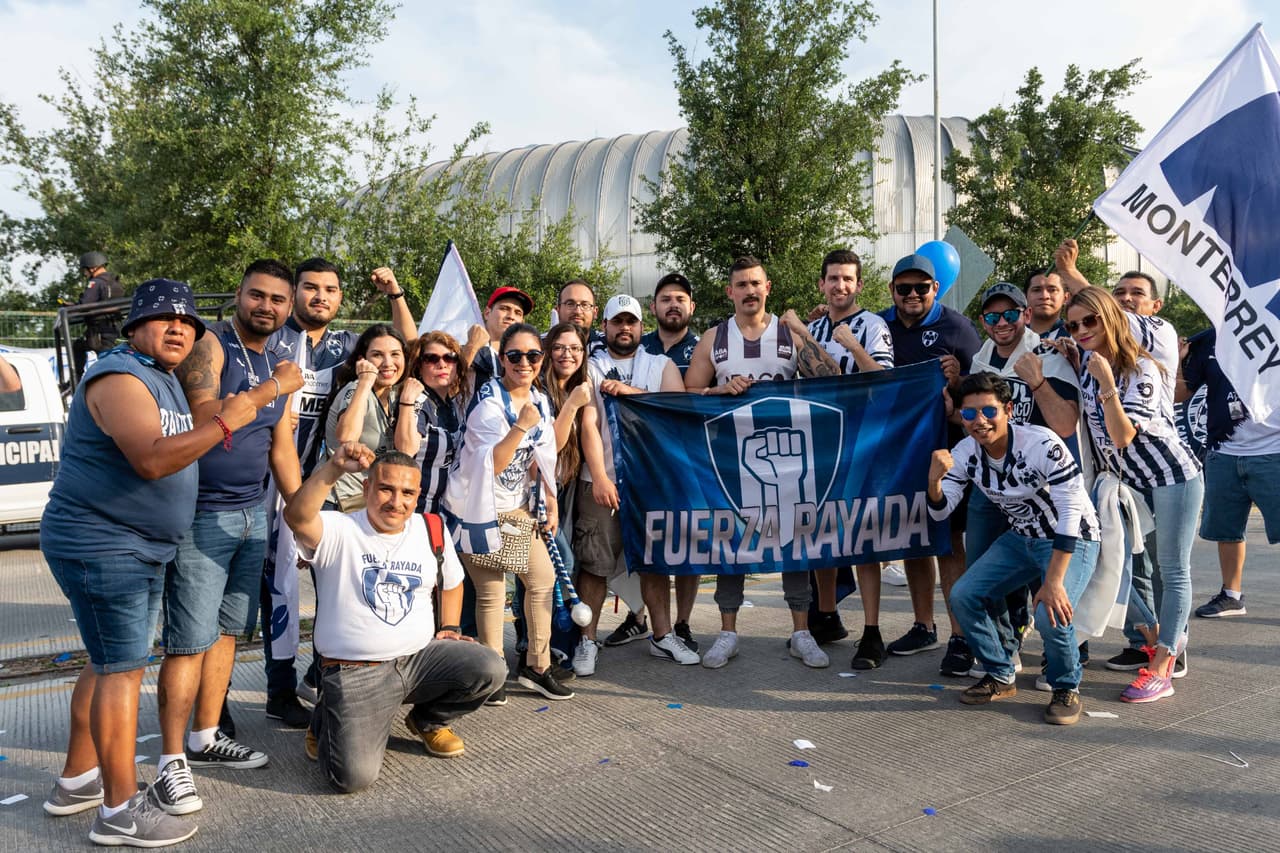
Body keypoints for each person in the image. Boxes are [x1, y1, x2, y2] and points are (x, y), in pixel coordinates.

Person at [40, 279, 257, 847]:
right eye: (164, 318)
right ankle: (118, 811)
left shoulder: (161, 376)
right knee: (121, 672)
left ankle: (77, 780)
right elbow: (152, 460)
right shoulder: (120, 377)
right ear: (134, 326)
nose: (178, 328)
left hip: (135, 544)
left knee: (107, 661)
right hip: (105, 545)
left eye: (188, 322)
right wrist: (230, 418)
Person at [154, 260, 303, 817]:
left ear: (288, 307)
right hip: (200, 515)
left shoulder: (275, 361)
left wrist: (303, 517)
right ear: (239, 295)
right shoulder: (211, 345)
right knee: (188, 641)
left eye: (277, 299)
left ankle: (206, 735)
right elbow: (205, 415)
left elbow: (282, 449)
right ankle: (171, 761)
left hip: (250, 515)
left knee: (226, 634)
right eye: (257, 295)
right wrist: (274, 388)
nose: (267, 306)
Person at [284, 443, 506, 792]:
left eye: (407, 493)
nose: (396, 501)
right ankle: (326, 717)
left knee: (489, 667)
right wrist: (333, 468)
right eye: (386, 489)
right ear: (366, 488)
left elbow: (452, 582)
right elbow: (297, 517)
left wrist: (449, 627)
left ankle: (427, 721)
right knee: (352, 778)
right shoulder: (339, 528)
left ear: (417, 496)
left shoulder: (430, 527)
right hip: (357, 670)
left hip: (419, 659)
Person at [261, 260, 419, 720]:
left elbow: (406, 345)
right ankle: (233, 705)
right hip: (261, 481)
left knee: (303, 592)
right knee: (262, 591)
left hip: (311, 484)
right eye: (311, 287)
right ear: (294, 292)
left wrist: (395, 292)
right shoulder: (270, 338)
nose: (321, 297)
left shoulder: (346, 346)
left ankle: (289, 689)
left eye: (330, 289)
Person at [683, 256, 841, 670]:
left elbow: (832, 377)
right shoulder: (715, 338)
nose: (750, 290)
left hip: (790, 454)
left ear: (767, 287)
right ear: (730, 292)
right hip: (732, 458)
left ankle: (801, 632)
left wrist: (802, 330)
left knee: (794, 540)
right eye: (741, 284)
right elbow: (688, 393)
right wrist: (719, 390)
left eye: (756, 283)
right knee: (732, 540)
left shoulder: (788, 333)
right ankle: (727, 632)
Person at [1060, 287, 1203, 703]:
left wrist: (1107, 383)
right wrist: (1077, 361)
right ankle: (1156, 636)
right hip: (1128, 484)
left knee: (1171, 570)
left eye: (1090, 321)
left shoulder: (1142, 368)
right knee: (1111, 565)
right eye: (1074, 325)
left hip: (1173, 477)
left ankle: (1163, 664)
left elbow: (1122, 435)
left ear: (1111, 318)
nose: (1082, 331)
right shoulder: (1088, 365)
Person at [931, 373, 1100, 725]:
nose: (980, 421)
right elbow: (942, 510)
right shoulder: (965, 451)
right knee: (964, 595)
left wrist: (1053, 582)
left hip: (1071, 537)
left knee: (1051, 611)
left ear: (1009, 410)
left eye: (989, 411)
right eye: (969, 414)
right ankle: (1000, 673)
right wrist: (933, 480)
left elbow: (1071, 514)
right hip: (1021, 536)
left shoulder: (1041, 444)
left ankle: (1066, 686)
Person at [445, 322, 571, 702]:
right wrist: (520, 426)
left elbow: (542, 456)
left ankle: (537, 666)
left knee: (542, 579)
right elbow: (495, 465)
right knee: (491, 592)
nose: (524, 362)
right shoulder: (488, 404)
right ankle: (493, 673)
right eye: (515, 355)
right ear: (502, 359)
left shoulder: (540, 399)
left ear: (542, 359)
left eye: (533, 355)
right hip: (476, 508)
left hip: (516, 507)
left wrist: (549, 498)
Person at [572, 294, 694, 676]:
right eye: (617, 322)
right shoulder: (591, 366)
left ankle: (662, 635)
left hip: (650, 482)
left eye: (631, 322)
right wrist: (599, 476)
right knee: (595, 564)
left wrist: (633, 394)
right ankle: (587, 640)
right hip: (602, 480)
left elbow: (678, 411)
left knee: (655, 564)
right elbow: (588, 424)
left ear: (642, 326)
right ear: (604, 326)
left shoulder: (660, 364)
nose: (624, 328)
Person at [968, 281, 1082, 683]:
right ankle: (1004, 647)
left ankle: (1062, 657)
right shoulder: (980, 359)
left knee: (1051, 578)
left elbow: (1066, 423)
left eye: (1011, 314)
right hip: (992, 484)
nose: (1002, 322)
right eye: (993, 316)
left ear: (1027, 315)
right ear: (983, 321)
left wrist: (1037, 382)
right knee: (982, 570)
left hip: (1041, 489)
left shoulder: (1049, 355)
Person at [879, 253, 982, 674]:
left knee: (950, 542)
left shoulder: (958, 328)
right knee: (914, 540)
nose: (912, 295)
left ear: (935, 289)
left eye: (921, 288)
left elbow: (985, 390)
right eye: (904, 288)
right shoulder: (878, 325)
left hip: (947, 452)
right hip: (900, 453)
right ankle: (924, 625)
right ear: (892, 291)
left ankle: (961, 636)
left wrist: (958, 381)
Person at [803, 249, 895, 668]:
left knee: (864, 539)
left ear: (859, 285)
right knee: (822, 531)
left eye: (847, 279)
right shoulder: (813, 327)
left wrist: (855, 347)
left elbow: (885, 382)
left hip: (862, 442)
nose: (839, 285)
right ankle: (826, 614)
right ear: (822, 284)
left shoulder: (872, 325)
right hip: (821, 443)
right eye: (833, 278)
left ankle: (872, 631)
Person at [1179, 329, 1280, 619]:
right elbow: (1179, 394)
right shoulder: (1210, 338)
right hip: (1223, 451)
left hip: (1273, 449)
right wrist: (1179, 360)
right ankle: (1231, 596)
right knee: (1227, 531)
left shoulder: (1271, 323)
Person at [637, 272, 703, 649]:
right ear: (653, 307)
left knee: (689, 546)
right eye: (666, 299)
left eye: (680, 299)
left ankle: (683, 622)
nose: (673, 305)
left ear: (691, 306)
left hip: (689, 461)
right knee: (650, 544)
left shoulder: (704, 348)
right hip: (644, 461)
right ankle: (641, 618)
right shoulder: (638, 345)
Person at [321, 324, 408, 511]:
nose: (388, 363)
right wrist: (365, 381)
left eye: (395, 354)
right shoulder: (356, 389)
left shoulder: (394, 394)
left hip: (368, 499)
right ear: (363, 360)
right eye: (377, 355)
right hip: (338, 501)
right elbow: (347, 437)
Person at [395, 331, 469, 514]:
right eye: (431, 359)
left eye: (450, 358)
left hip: (442, 511)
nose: (442, 364)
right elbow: (406, 449)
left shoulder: (452, 404)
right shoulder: (419, 400)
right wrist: (407, 402)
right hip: (415, 511)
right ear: (419, 367)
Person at [469, 286, 534, 394]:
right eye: (504, 308)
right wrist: (471, 347)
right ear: (487, 313)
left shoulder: (528, 358)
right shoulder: (465, 347)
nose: (511, 316)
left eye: (518, 313)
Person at [73, 251, 126, 374]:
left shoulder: (96, 283)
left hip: (99, 330)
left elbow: (85, 304)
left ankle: (76, 378)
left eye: (85, 270)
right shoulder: (115, 283)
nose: (85, 274)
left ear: (92, 268)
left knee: (104, 362)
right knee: (104, 358)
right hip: (113, 329)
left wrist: (71, 307)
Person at [557, 278, 607, 355]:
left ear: (595, 312)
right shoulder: (542, 345)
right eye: (570, 304)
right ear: (558, 310)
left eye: (585, 305)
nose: (578, 311)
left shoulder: (609, 344)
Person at [1023, 270, 1068, 338]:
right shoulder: (1012, 334)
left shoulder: (1077, 335)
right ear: (1025, 297)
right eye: (1036, 290)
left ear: (1065, 298)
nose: (1044, 296)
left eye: (1052, 290)